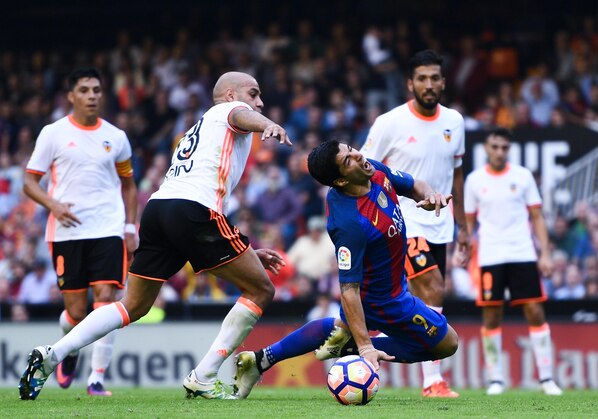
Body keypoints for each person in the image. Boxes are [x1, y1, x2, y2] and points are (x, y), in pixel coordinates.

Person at [19, 71, 291, 401]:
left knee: (133, 305)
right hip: (192, 211)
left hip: (161, 209)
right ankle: (204, 375)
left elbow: (205, 199)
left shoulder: (201, 129)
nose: (259, 101)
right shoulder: (224, 112)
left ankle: (52, 355)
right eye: (253, 93)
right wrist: (267, 124)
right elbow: (240, 115)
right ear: (231, 94)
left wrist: (246, 251)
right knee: (261, 289)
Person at [233, 140, 459, 399]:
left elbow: (414, 184)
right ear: (340, 181)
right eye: (347, 160)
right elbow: (348, 290)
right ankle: (350, 347)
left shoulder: (369, 169)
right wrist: (364, 348)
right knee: (447, 343)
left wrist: (429, 196)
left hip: (392, 287)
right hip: (383, 301)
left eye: (350, 149)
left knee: (339, 328)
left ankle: (260, 359)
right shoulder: (349, 223)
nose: (357, 155)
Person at [21, 68, 138, 397]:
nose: (92, 96)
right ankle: (70, 351)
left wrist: (130, 226)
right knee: (75, 313)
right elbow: (30, 182)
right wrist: (53, 205)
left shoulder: (116, 137)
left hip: (107, 228)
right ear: (71, 96)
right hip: (66, 232)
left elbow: (129, 186)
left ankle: (96, 380)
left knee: (106, 301)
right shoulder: (53, 134)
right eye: (84, 90)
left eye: (97, 90)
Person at [359, 49, 468, 397]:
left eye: (435, 77)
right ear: (410, 83)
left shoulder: (455, 121)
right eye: (422, 78)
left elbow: (457, 174)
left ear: (444, 82)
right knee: (433, 288)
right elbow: (363, 169)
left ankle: (356, 344)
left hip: (441, 225)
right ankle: (432, 381)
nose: (429, 84)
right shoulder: (389, 123)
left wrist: (463, 226)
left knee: (424, 301)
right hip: (401, 225)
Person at [464, 128, 562, 396]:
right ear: (486, 148)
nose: (499, 152)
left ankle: (547, 378)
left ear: (509, 149)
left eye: (504, 147)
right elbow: (469, 222)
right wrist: (463, 251)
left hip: (522, 252)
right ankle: (496, 379)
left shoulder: (523, 176)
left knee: (535, 311)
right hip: (490, 254)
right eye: (495, 146)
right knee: (492, 314)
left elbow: (537, 217)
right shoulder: (474, 180)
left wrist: (545, 254)